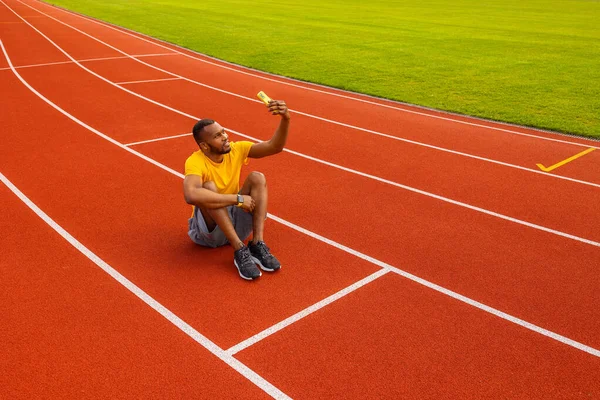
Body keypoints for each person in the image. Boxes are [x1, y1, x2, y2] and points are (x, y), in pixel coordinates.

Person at [183, 99, 291, 280]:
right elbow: (191, 194)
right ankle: (240, 250)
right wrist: (238, 199)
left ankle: (257, 244)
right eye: (217, 136)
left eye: (223, 131)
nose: (225, 136)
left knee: (257, 177)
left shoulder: (236, 149)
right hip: (210, 233)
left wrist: (285, 118)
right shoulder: (195, 161)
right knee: (208, 187)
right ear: (204, 146)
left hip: (234, 221)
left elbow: (275, 147)